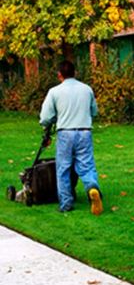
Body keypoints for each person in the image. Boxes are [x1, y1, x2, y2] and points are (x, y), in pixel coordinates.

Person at [40, 60, 103, 215]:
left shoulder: (54, 91)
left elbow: (45, 117)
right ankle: (92, 188)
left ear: (59, 74)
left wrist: (52, 121)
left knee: (63, 168)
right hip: (84, 131)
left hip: (65, 133)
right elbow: (94, 111)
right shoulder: (86, 89)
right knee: (87, 165)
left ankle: (66, 203)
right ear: (75, 72)